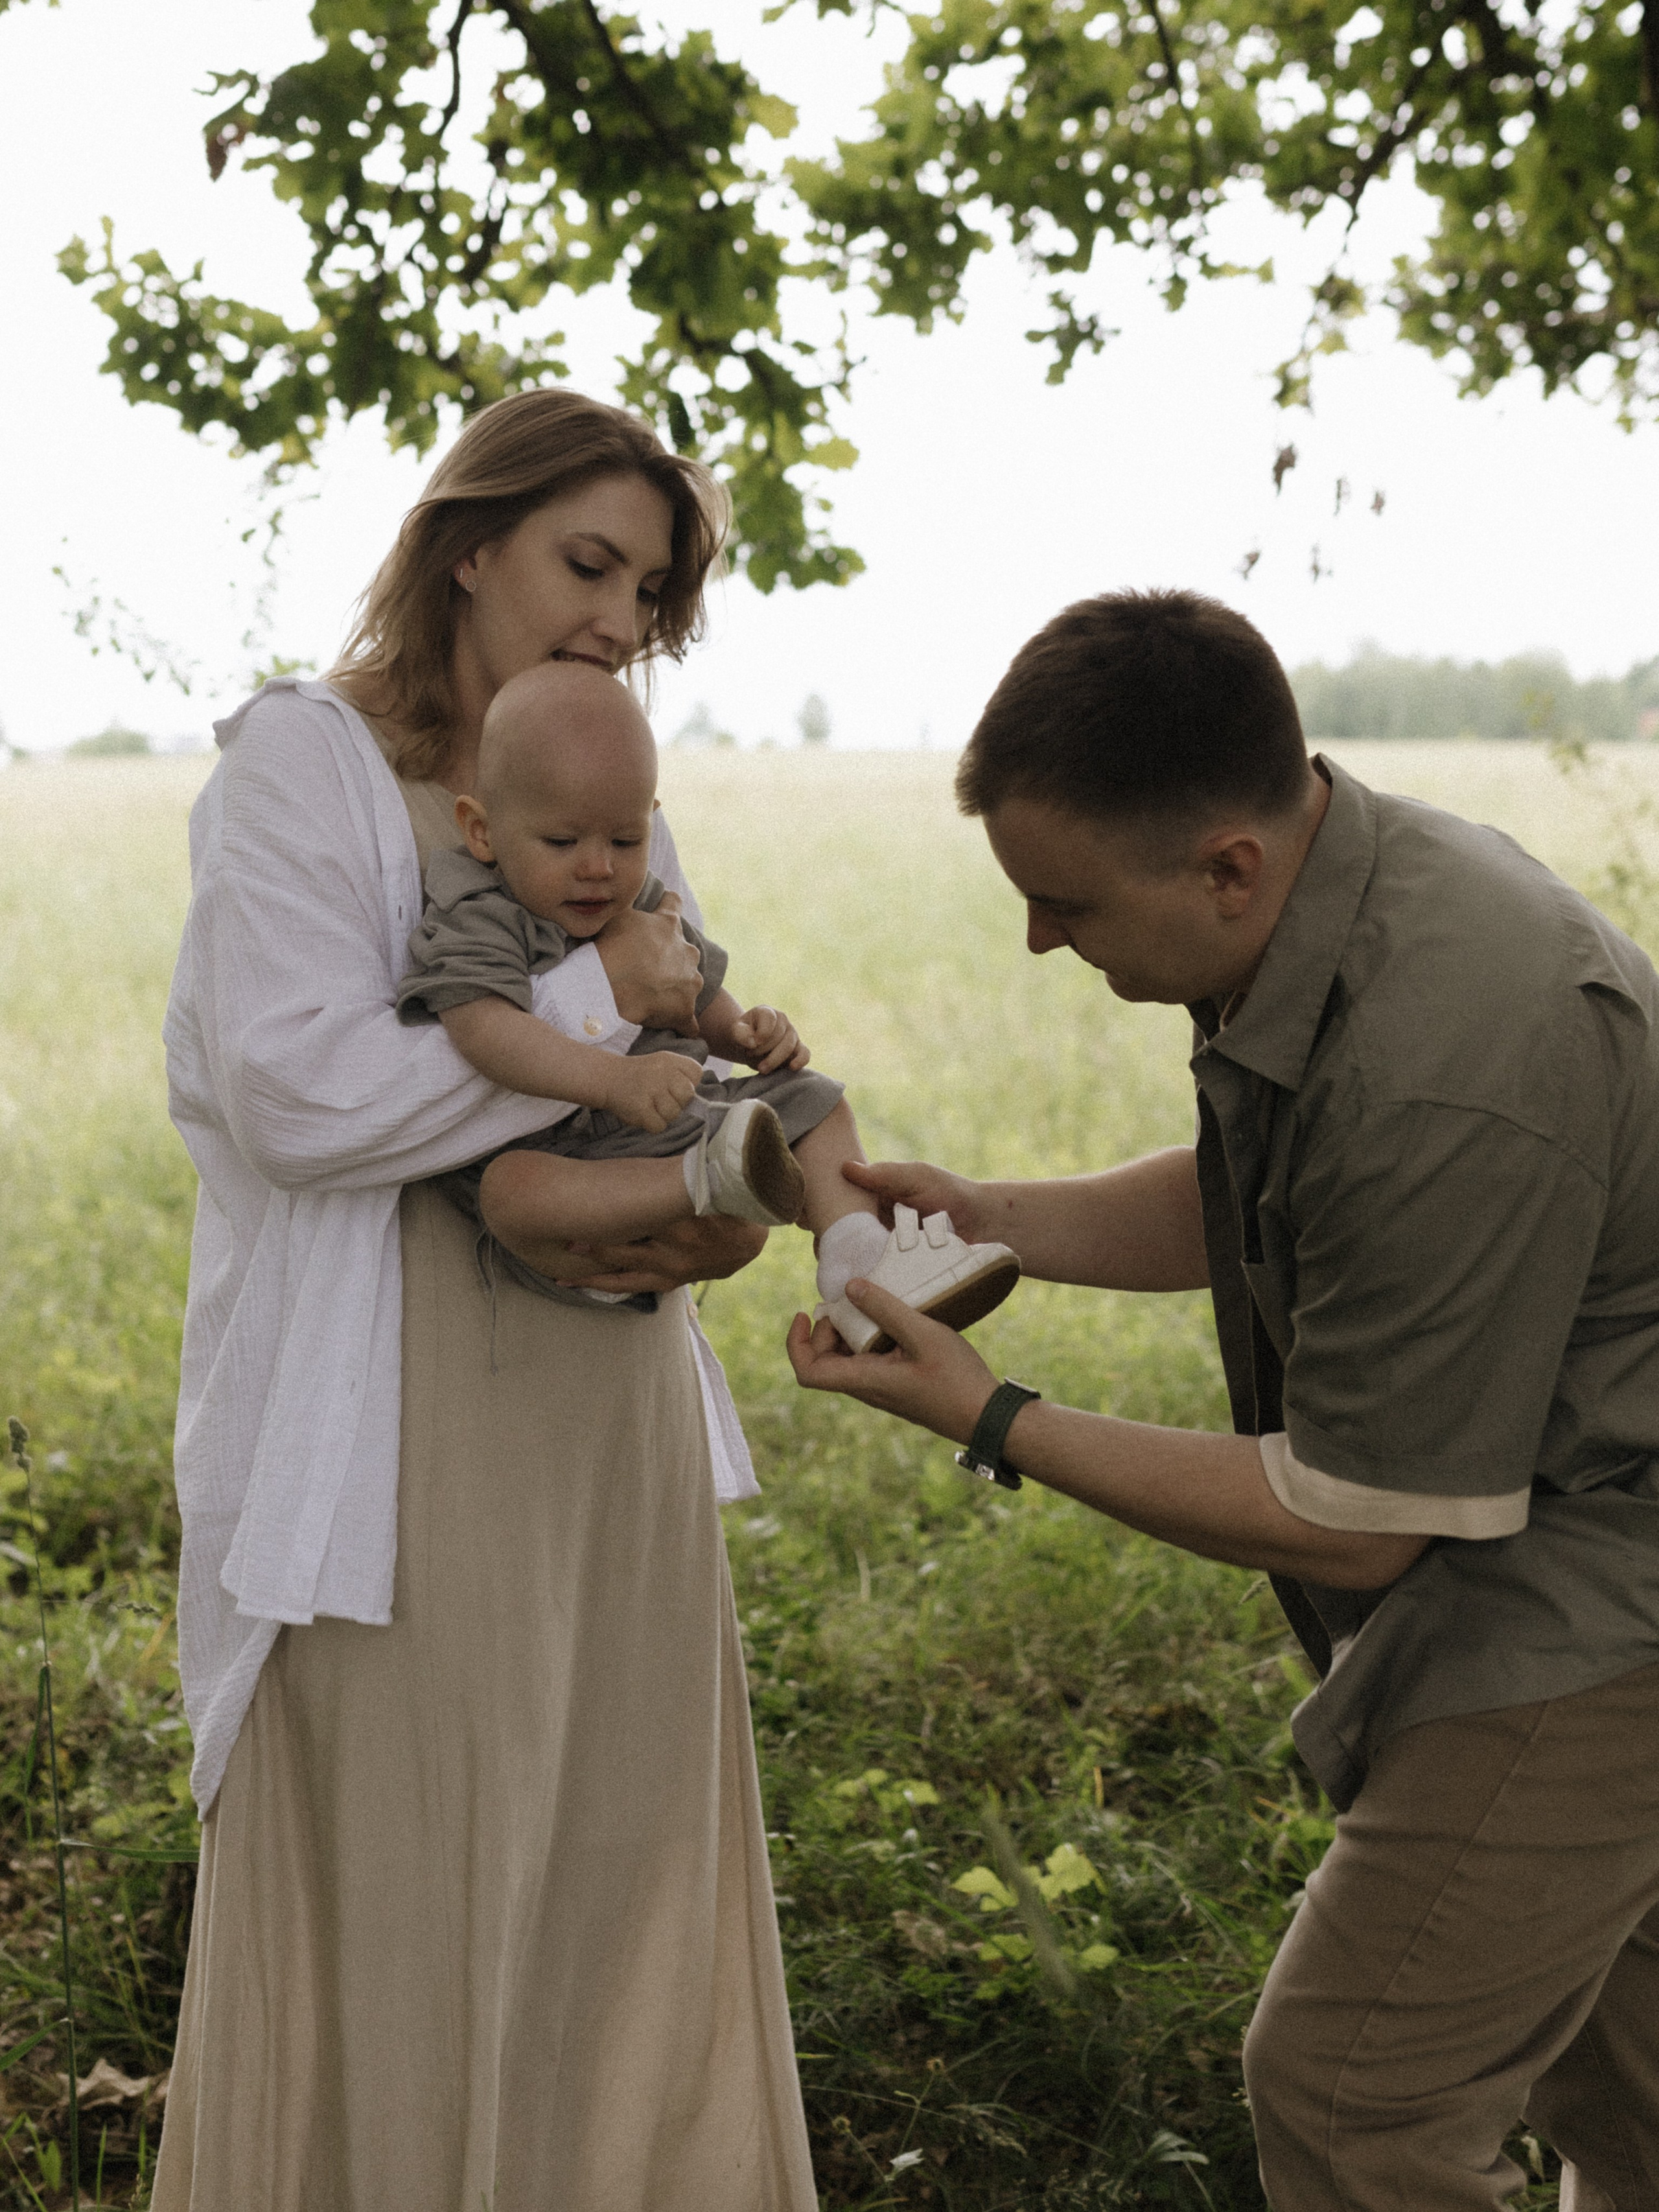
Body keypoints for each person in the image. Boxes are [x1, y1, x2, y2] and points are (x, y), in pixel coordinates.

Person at [787, 588, 1659, 2211]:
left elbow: (1357, 1518)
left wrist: (992, 1414)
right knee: (1631, 2107)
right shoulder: (1347, 891)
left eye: (1062, 900)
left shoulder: (1446, 1042)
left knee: (1348, 2094)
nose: (1040, 939)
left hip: (1599, 1599)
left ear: (1227, 866)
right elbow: (1277, 1194)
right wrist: (996, 1216)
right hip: (1551, 1541)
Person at [156, 388, 820, 2211]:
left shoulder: (594, 761)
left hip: (606, 1396)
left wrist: (721, 1201)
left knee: (615, 1871)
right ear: (470, 544)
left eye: (652, 586)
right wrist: (603, 1008)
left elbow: (672, 1038)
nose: (621, 613)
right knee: (423, 1861)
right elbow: (298, 1101)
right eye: (586, 560)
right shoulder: (305, 763)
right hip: (393, 1419)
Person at [395, 655, 1021, 1342]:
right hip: (570, 1161)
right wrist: (612, 1077)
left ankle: (855, 1262)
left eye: (625, 838)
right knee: (509, 1191)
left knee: (819, 1100)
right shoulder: (476, 909)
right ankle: (707, 1179)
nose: (598, 865)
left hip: (676, 1121)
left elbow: (697, 992)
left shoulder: (635, 900)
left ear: (650, 822)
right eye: (562, 840)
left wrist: (747, 1033)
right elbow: (481, 1028)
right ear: (482, 830)